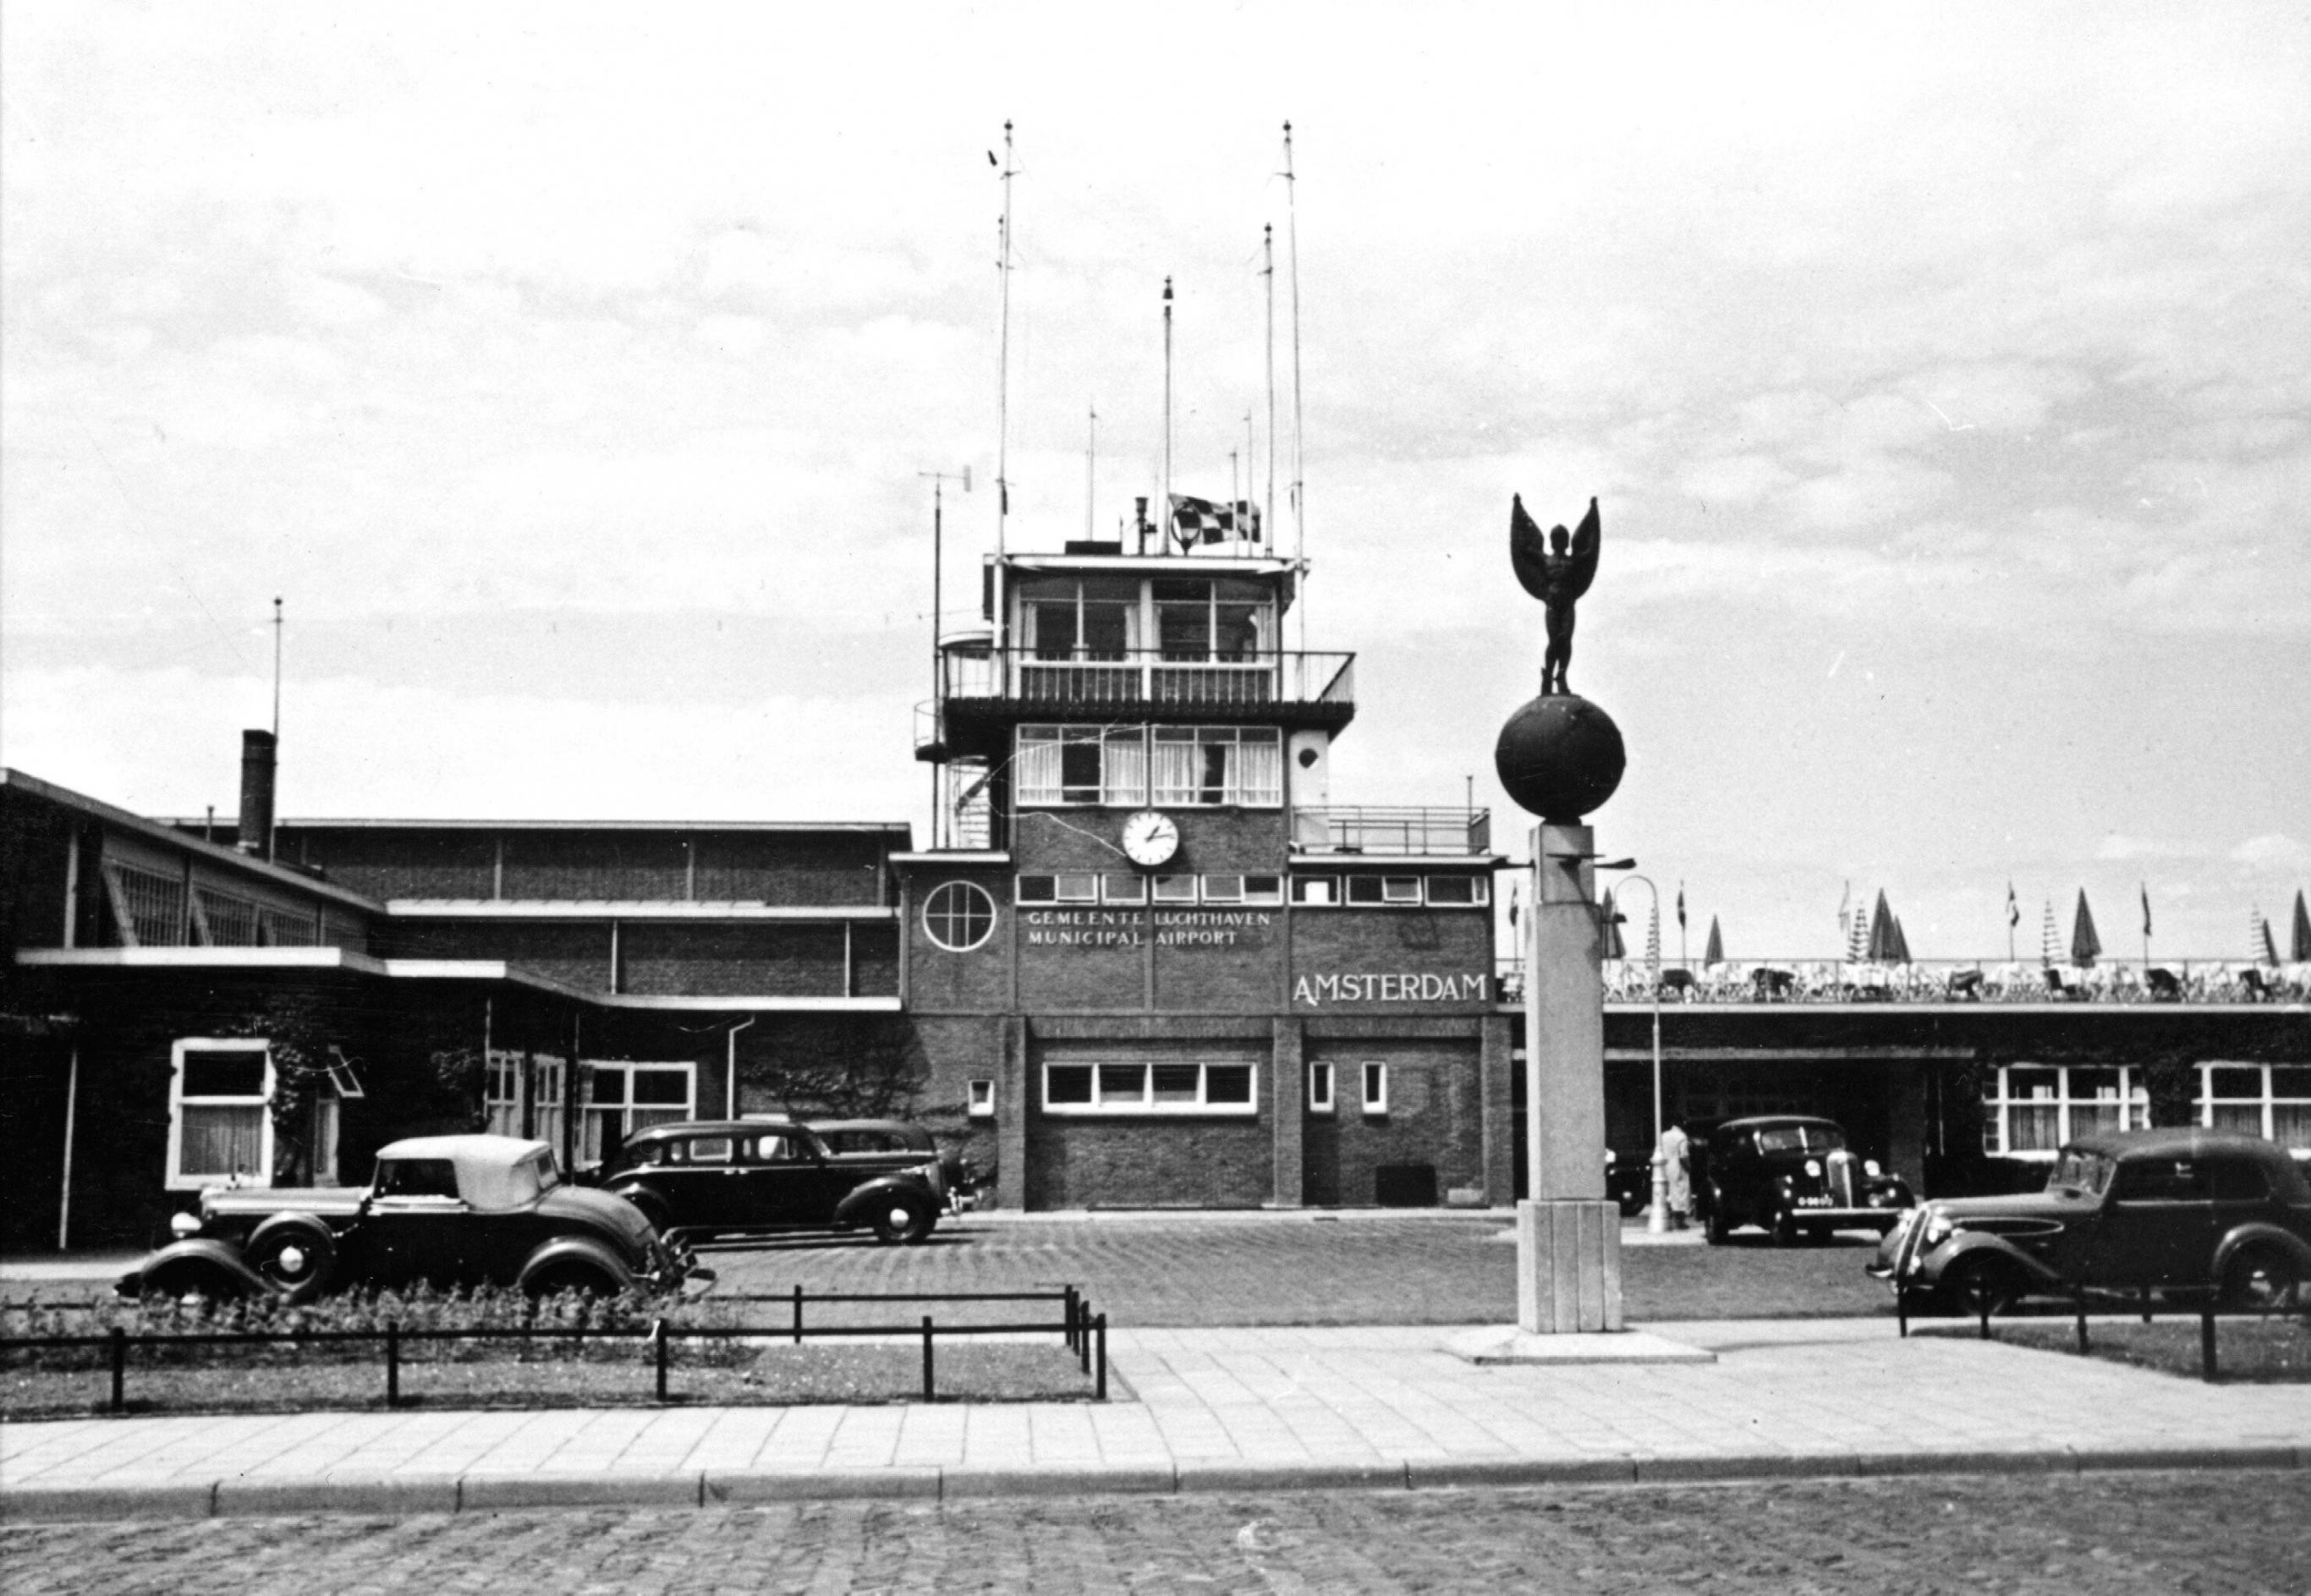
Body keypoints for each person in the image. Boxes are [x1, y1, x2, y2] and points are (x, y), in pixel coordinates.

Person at [1655, 1116, 1692, 1229]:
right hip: (1678, 1168)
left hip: (1665, 1168)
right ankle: (1679, 1222)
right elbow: (1683, 1156)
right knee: (1681, 1194)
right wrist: (1689, 1168)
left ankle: (1668, 1219)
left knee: (1668, 1194)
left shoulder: (1664, 1135)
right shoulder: (1682, 1136)